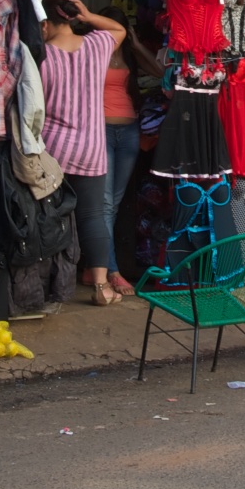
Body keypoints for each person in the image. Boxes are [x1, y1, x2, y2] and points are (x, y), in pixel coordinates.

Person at [38, 0, 128, 305]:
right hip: (92, 148)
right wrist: (90, 15)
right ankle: (102, 287)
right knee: (92, 217)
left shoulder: (43, 57)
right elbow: (118, 29)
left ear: (46, 24)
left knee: (49, 216)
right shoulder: (96, 45)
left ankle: (48, 284)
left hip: (53, 151)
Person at [97, 21, 161, 298]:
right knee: (106, 202)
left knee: (115, 203)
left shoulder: (129, 55)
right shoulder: (93, 52)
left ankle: (99, 265)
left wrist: (136, 45)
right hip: (101, 130)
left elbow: (161, 73)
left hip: (129, 132)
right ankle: (110, 270)